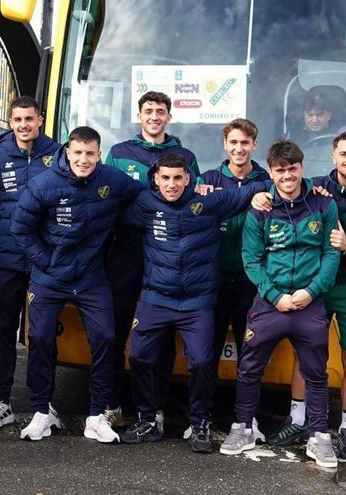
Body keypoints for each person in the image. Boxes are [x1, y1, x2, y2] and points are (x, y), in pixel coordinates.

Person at [121, 152, 268, 452]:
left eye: (178, 178)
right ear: (156, 178)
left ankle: (200, 423)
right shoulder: (144, 204)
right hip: (155, 298)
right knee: (137, 356)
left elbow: (258, 186)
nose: (172, 184)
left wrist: (310, 186)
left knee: (202, 361)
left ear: (189, 178)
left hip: (197, 302)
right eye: (165, 178)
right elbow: (113, 213)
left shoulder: (210, 202)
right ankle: (147, 419)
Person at [267, 131, 346, 459]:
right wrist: (258, 197)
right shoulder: (316, 186)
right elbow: (280, 189)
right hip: (314, 285)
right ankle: (297, 420)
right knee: (307, 356)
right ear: (333, 155)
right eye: (343, 154)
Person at [11, 126, 141, 442]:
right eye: (78, 153)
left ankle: (96, 416)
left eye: (90, 154)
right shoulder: (42, 184)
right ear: (68, 151)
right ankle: (42, 412)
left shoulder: (112, 180)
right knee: (39, 337)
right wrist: (46, 261)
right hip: (49, 276)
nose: (84, 160)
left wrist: (198, 192)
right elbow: (20, 228)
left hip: (90, 277)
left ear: (99, 154)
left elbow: (146, 193)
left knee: (106, 339)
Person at [219, 140, 340, 469]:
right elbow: (251, 258)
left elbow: (331, 253)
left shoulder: (322, 204)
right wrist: (275, 296)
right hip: (270, 304)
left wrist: (312, 291)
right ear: (271, 172)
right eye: (280, 170)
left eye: (292, 168)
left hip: (309, 303)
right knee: (248, 368)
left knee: (316, 373)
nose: (287, 175)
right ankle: (244, 427)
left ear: (301, 168)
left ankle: (318, 436)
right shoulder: (260, 207)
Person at [104, 90, 201, 429]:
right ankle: (112, 402)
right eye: (148, 111)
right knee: (115, 330)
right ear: (140, 115)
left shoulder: (184, 156)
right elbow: (104, 198)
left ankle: (155, 408)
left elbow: (195, 199)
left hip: (166, 257)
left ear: (169, 116)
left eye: (160, 111)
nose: (154, 116)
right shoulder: (118, 154)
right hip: (127, 253)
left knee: (160, 335)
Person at [0, 96, 60, 427]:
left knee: (42, 332)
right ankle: (2, 400)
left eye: (30, 118)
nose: (24, 125)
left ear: (40, 119)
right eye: (18, 120)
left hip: (45, 258)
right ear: (10, 122)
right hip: (8, 258)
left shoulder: (58, 154)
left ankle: (45, 403)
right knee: (2, 327)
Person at [200, 118, 270, 441]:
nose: (239, 149)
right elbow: (198, 210)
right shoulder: (209, 179)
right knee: (208, 353)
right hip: (213, 280)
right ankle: (202, 418)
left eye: (245, 143)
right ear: (225, 145)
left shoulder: (267, 180)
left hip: (250, 284)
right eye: (233, 143)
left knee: (249, 355)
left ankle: (248, 420)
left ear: (254, 145)